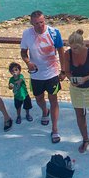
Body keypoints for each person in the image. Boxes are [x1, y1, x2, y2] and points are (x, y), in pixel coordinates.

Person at [20, 10, 65, 144]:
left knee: (54, 101)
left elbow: (62, 52)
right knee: (39, 99)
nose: (40, 25)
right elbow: (23, 53)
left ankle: (55, 129)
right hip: (36, 75)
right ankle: (45, 111)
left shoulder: (54, 32)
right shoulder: (26, 34)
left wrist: (63, 71)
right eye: (37, 23)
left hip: (52, 74)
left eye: (42, 22)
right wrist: (28, 62)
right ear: (31, 23)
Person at [62, 29, 89, 153]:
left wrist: (86, 78)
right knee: (80, 114)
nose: (74, 50)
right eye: (72, 48)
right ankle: (85, 139)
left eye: (76, 48)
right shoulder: (67, 54)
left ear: (82, 44)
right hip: (76, 89)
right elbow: (67, 71)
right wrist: (71, 79)